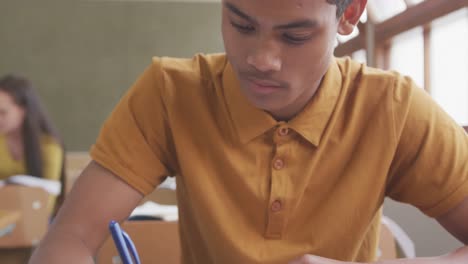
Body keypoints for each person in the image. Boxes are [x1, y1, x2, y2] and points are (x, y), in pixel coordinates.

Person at [29, 0, 468, 263]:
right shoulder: (170, 93)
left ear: (349, 14)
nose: (261, 59)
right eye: (241, 25)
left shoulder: (392, 107)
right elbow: (69, 239)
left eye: (294, 36)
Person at [0, 74, 65, 215]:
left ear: (23, 110)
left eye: (3, 112)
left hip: (37, 219)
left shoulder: (49, 146)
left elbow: (49, 201)